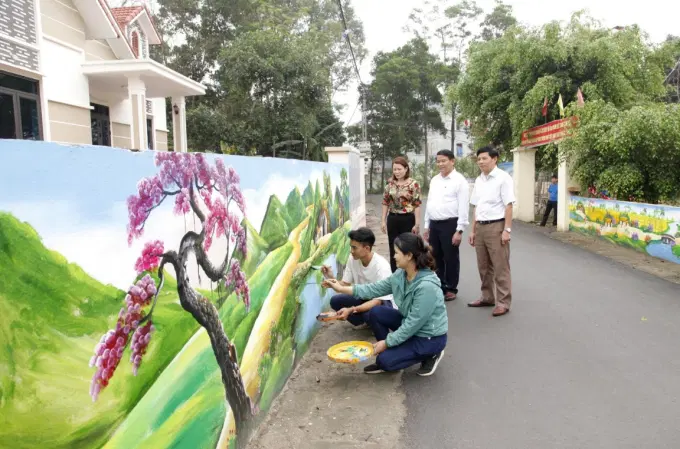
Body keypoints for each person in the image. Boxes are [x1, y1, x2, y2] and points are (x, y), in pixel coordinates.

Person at [326, 233, 448, 377]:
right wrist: (341, 288)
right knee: (376, 312)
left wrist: (387, 342)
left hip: (428, 337)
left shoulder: (426, 287)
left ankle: (432, 354)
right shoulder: (401, 275)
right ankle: (394, 351)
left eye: (396, 253)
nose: (394, 256)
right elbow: (373, 289)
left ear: (409, 255)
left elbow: (413, 324)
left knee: (384, 361)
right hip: (409, 325)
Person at [467, 146, 515, 317]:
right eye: (479, 159)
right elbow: (476, 206)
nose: (481, 162)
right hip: (480, 226)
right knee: (483, 265)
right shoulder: (479, 179)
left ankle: (503, 302)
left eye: (484, 158)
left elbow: (509, 205)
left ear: (494, 159)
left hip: (497, 226)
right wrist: (473, 230)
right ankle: (487, 297)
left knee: (500, 265)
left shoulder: (503, 178)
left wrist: (507, 230)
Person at [322, 227, 394, 333]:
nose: (351, 251)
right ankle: (366, 322)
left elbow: (378, 301)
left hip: (382, 303)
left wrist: (351, 309)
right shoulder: (353, 259)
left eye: (354, 248)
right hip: (363, 297)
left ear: (367, 248)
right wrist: (331, 277)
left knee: (371, 312)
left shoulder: (382, 267)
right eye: (351, 247)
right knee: (335, 301)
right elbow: (345, 284)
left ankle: (377, 322)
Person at [423, 149, 470, 302]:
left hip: (450, 224)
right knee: (435, 256)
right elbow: (429, 203)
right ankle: (439, 286)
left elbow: (463, 207)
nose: (440, 164)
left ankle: (451, 288)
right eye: (438, 161)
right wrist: (426, 225)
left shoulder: (459, 181)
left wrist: (459, 230)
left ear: (452, 161)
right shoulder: (435, 180)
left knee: (450, 257)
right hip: (434, 223)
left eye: (443, 161)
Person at [381, 156, 422, 272]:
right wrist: (383, 220)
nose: (397, 172)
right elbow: (385, 202)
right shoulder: (390, 184)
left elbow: (417, 204)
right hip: (393, 219)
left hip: (408, 219)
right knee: (393, 247)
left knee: (408, 247)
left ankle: (410, 273)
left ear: (406, 169)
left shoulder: (413, 184)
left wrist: (417, 224)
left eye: (399, 169)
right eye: (395, 169)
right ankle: (395, 274)